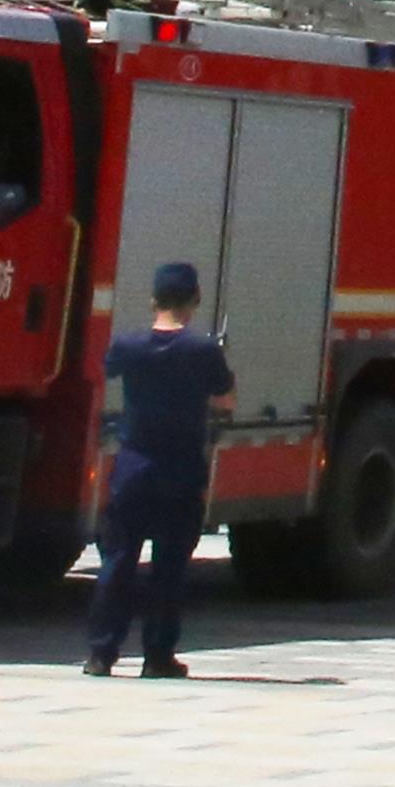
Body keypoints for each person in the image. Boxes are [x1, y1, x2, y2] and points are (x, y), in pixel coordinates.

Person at [86, 259, 238, 676]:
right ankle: (157, 656)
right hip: (182, 469)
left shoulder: (127, 346)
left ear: (153, 299)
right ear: (195, 300)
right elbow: (226, 400)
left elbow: (109, 369)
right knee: (169, 567)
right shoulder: (203, 350)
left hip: (133, 467)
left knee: (117, 562)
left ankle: (101, 653)